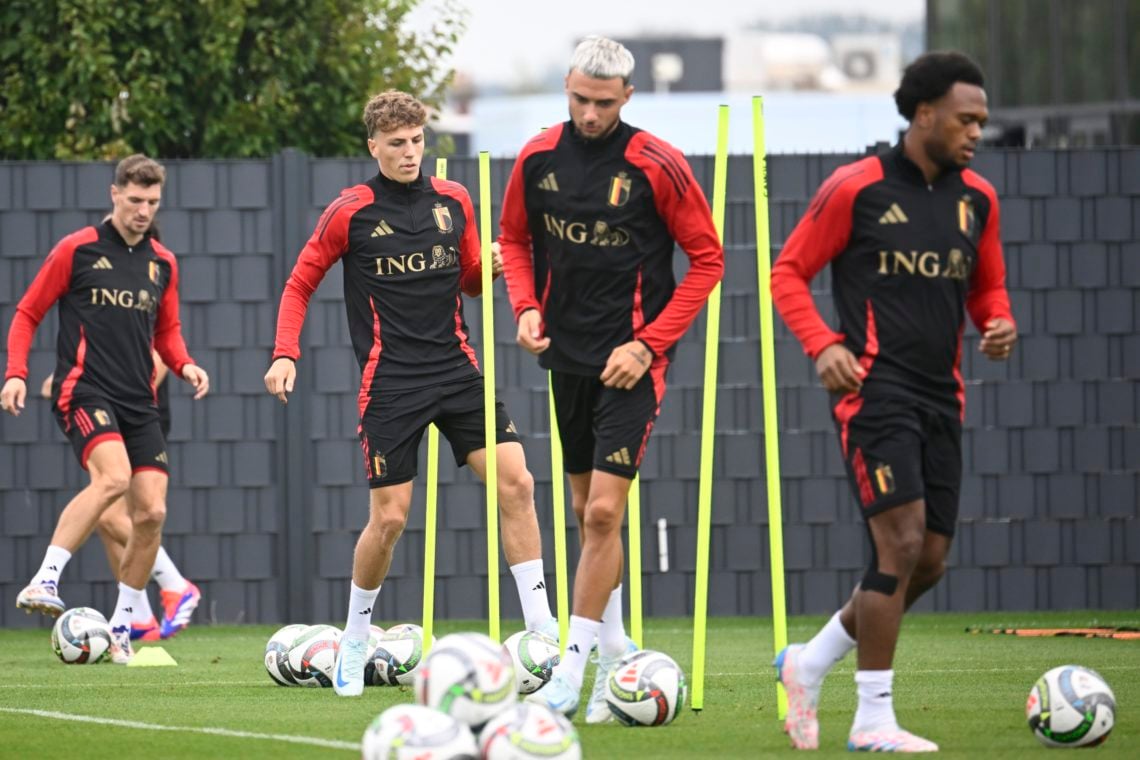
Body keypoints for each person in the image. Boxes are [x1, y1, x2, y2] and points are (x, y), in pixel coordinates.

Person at [264, 89, 557, 699]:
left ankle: (542, 630)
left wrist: (491, 269)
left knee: (519, 483)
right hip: (390, 383)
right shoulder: (350, 210)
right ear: (374, 146)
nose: (409, 152)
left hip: (456, 371)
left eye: (417, 141)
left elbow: (471, 281)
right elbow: (299, 284)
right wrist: (284, 354)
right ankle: (353, 635)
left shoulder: (455, 199)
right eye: (396, 143)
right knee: (391, 518)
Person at [770, 51, 1017, 752]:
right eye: (966, 119)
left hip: (944, 394)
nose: (976, 131)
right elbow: (787, 271)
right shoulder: (858, 187)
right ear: (923, 114)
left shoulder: (979, 201)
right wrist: (822, 345)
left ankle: (807, 661)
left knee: (930, 558)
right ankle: (873, 719)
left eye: (982, 122)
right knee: (899, 543)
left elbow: (987, 289)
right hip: (872, 392)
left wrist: (999, 324)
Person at [497, 36, 724, 721]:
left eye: (602, 102)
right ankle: (618, 649)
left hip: (633, 366)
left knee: (602, 512)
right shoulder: (538, 156)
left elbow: (708, 261)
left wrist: (650, 346)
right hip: (566, 358)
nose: (589, 114)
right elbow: (512, 239)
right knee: (584, 511)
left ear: (627, 97)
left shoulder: (659, 164)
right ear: (566, 89)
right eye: (578, 99)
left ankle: (573, 667)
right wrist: (525, 304)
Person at [2, 154, 210, 665]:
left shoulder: (163, 261)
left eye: (152, 202)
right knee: (112, 479)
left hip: (140, 401)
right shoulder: (77, 250)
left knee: (152, 512)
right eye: (135, 200)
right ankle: (45, 579)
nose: (143, 210)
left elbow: (167, 332)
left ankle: (121, 627)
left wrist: (184, 366)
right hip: (84, 390)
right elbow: (29, 312)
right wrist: (15, 372)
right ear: (114, 194)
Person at [38, 351, 201, 641]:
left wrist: (121, 398)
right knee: (105, 518)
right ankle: (140, 618)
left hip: (136, 416)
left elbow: (160, 357)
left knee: (114, 514)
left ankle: (175, 585)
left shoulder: (144, 310)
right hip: (111, 412)